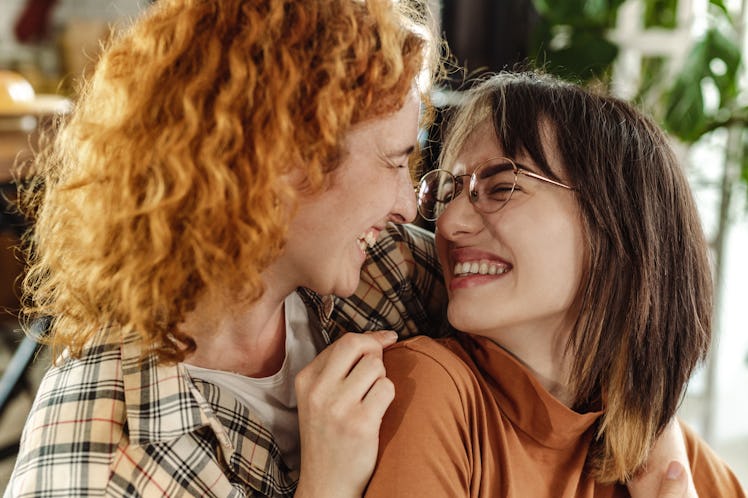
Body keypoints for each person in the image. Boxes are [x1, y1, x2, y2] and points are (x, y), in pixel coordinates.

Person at [5, 0, 445, 496]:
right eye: (393, 161)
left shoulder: (382, 265)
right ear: (276, 162)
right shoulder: (96, 470)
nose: (408, 207)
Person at [364, 71, 747, 497]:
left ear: (617, 227)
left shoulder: (667, 457)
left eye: (502, 187)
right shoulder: (431, 389)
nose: (450, 224)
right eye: (450, 191)